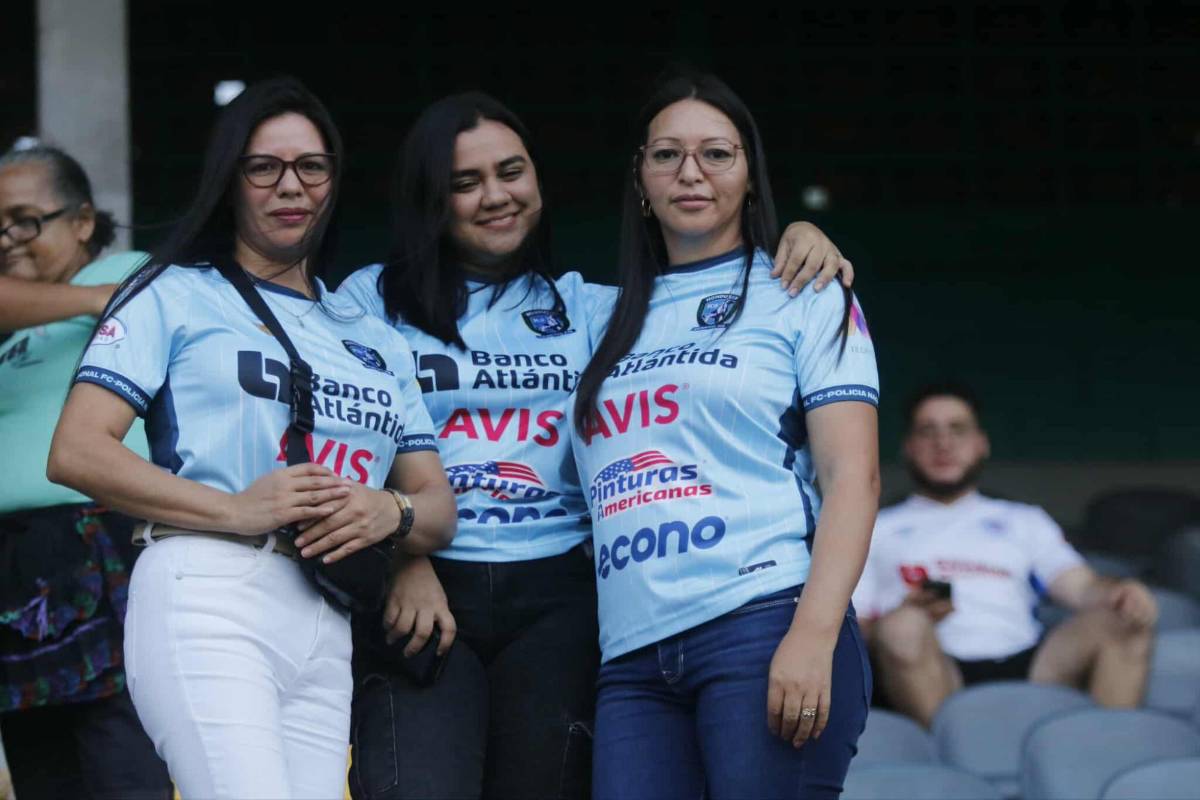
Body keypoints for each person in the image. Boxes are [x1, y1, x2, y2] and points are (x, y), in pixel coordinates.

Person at [335, 91, 855, 800]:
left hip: (562, 595)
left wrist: (801, 234)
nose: (496, 196)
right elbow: (348, 434)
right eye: (465, 182)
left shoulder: (600, 310)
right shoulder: (369, 301)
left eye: (512, 172)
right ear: (431, 197)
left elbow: (701, 304)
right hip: (430, 587)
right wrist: (403, 550)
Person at [46, 77, 457, 799]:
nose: (288, 186)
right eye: (263, 167)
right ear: (229, 179)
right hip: (209, 585)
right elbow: (78, 450)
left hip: (326, 615)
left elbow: (437, 505)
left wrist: (387, 513)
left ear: (333, 180)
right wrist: (237, 509)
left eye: (311, 166)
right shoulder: (174, 291)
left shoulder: (374, 337)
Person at [570, 71, 880, 800]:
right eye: (667, 155)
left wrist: (813, 637)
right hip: (632, 658)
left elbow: (854, 480)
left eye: (717, 154)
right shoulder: (593, 317)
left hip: (765, 622)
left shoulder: (806, 292)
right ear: (640, 179)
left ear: (749, 175)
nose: (692, 174)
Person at [0, 145, 170, 800]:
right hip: (19, 565)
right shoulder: (58, 305)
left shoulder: (132, 272)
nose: (8, 240)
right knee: (44, 769)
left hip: (98, 546)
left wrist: (101, 293)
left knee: (120, 761)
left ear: (82, 220)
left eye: (23, 220)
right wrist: (88, 300)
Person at [852, 382, 1158, 727]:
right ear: (908, 448)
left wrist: (1119, 591)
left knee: (1123, 618)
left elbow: (1083, 588)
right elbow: (853, 630)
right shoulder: (874, 527)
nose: (943, 442)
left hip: (1032, 666)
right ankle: (951, 762)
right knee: (903, 626)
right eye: (928, 431)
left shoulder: (1024, 519)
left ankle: (1106, 760)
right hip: (933, 670)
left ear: (982, 444)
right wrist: (905, 613)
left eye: (958, 429)